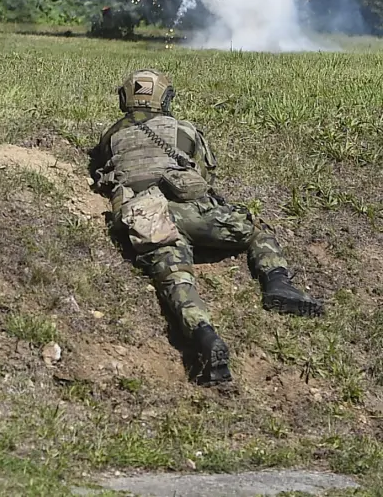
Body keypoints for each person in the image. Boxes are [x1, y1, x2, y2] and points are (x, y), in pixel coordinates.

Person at [93, 69, 323, 387]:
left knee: (174, 277)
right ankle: (277, 283)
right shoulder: (181, 128)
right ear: (164, 97)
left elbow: (105, 166)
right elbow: (196, 169)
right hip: (193, 210)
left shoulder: (111, 135)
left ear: (125, 99)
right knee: (255, 231)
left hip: (146, 214)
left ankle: (204, 336)